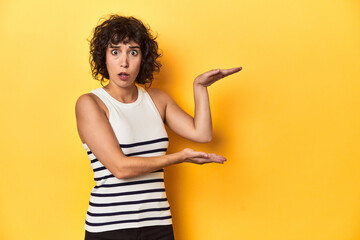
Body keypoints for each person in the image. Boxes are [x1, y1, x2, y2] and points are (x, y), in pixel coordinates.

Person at [75, 14, 242, 240]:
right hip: (110, 228)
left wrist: (200, 88)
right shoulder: (90, 103)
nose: (124, 62)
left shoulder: (157, 99)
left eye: (133, 52)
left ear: (142, 58)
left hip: (158, 224)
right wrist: (178, 157)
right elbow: (120, 168)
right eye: (115, 52)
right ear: (103, 57)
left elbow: (201, 134)